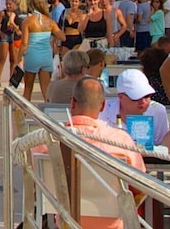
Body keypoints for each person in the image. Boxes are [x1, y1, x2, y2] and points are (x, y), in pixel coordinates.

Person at [31, 77, 146, 229]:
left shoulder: (47, 141)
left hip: (66, 222)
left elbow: (36, 179)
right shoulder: (120, 140)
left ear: (72, 102)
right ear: (103, 105)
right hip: (112, 223)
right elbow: (140, 184)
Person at [100, 62, 170, 143]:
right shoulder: (102, 111)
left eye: (147, 96)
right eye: (136, 97)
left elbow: (162, 148)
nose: (143, 101)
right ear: (120, 96)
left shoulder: (158, 111)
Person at [22, 0, 57, 99]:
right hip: (46, 56)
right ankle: (48, 113)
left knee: (28, 89)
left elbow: (24, 43)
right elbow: (62, 37)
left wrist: (18, 58)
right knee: (46, 90)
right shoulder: (50, 21)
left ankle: (24, 114)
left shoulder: (28, 21)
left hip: (32, 56)